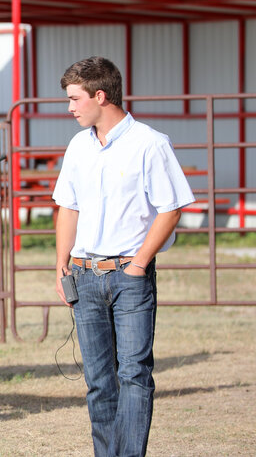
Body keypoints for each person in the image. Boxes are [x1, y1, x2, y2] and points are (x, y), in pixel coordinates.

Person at [53, 57, 194, 457]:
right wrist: (61, 263)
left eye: (75, 99)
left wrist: (138, 264)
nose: (70, 108)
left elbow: (171, 209)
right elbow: (68, 206)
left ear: (101, 95)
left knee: (133, 374)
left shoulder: (150, 143)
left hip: (128, 275)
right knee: (99, 380)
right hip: (84, 273)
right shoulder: (79, 145)